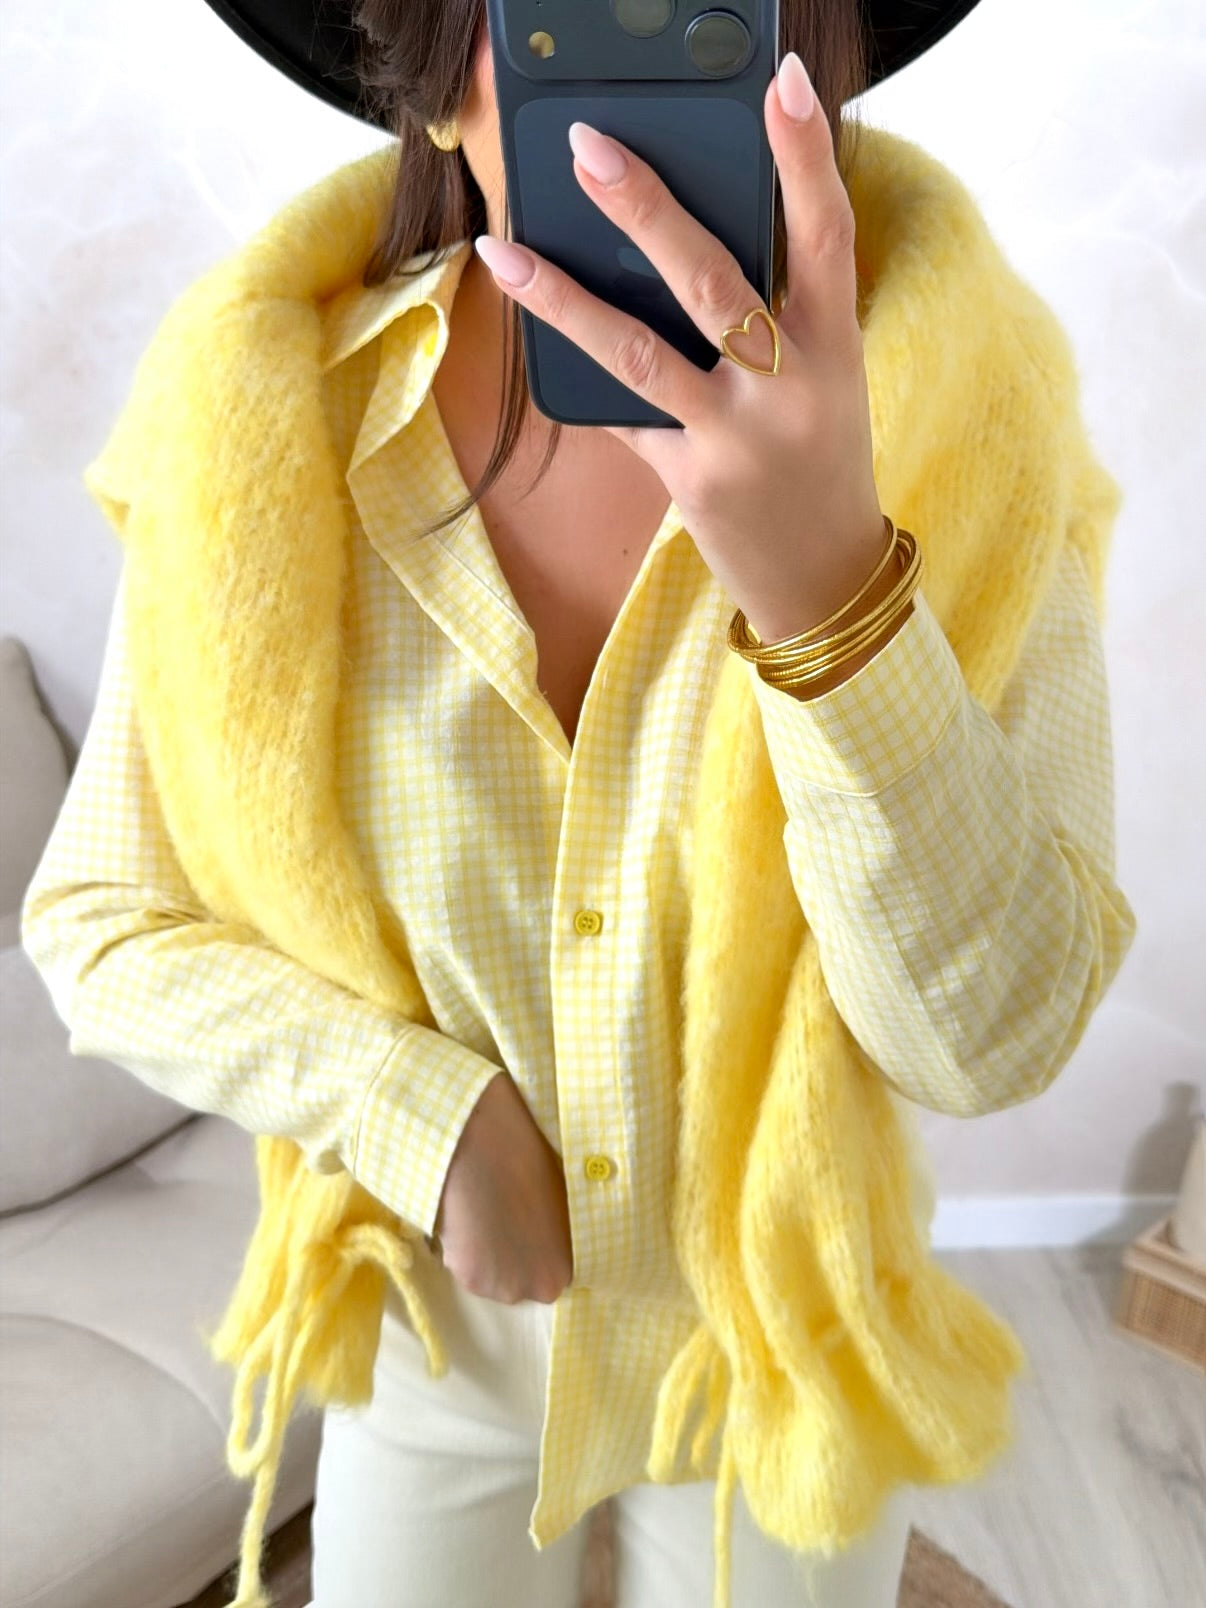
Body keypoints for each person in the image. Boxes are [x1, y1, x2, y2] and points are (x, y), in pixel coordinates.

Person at [20, 3, 1137, 1606]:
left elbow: (987, 1045)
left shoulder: (975, 444)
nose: (623, 39)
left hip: (781, 1353)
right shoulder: (254, 437)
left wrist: (835, 608)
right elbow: (102, 920)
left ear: (806, 54)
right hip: (434, 1335)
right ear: (429, 67)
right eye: (551, 9)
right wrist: (421, 1114)